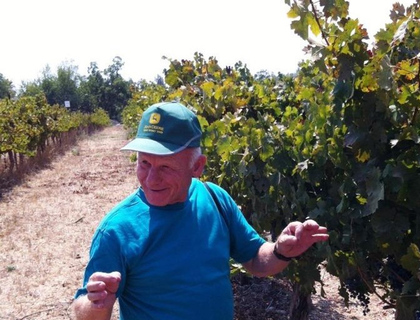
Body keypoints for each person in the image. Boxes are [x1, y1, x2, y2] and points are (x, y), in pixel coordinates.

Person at [71, 101, 329, 320]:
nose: (151, 179)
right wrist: (97, 303)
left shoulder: (215, 199)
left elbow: (255, 260)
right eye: (144, 163)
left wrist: (281, 251)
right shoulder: (117, 229)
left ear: (197, 167)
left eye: (166, 168)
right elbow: (82, 310)